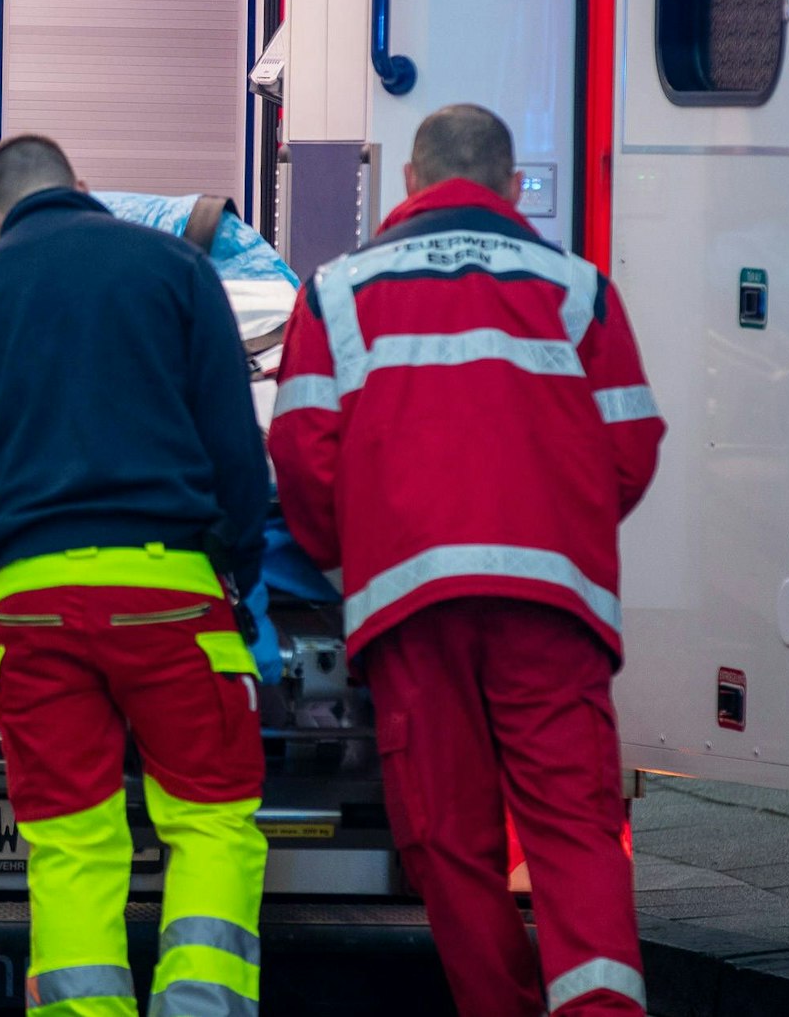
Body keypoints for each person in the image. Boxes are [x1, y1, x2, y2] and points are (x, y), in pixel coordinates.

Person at [268, 104, 665, 1016]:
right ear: (512, 184)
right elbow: (631, 442)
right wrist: (560, 523)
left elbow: (299, 450)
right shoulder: (577, 286)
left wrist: (355, 553)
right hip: (551, 607)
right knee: (574, 830)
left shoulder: (339, 289)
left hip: (411, 605)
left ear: (409, 183)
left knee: (449, 841)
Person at [0, 135, 271, 1017]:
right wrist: (239, 573)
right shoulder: (174, 269)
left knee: (70, 842)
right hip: (170, 595)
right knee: (211, 819)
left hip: (34, 609)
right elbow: (237, 449)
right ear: (83, 187)